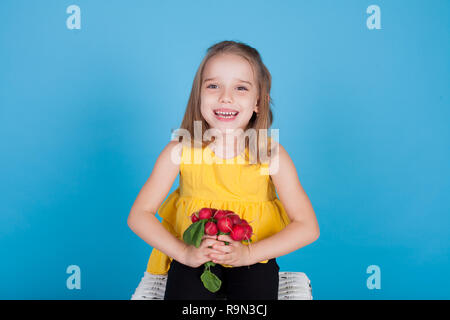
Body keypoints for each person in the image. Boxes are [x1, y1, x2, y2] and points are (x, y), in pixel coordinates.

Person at [127, 40, 320, 300]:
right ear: (199, 96)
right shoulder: (181, 150)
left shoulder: (271, 155)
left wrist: (248, 254)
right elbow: (139, 214)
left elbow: (307, 226)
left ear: (258, 103)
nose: (225, 97)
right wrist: (184, 253)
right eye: (213, 86)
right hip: (193, 258)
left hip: (253, 260)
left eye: (240, 88)